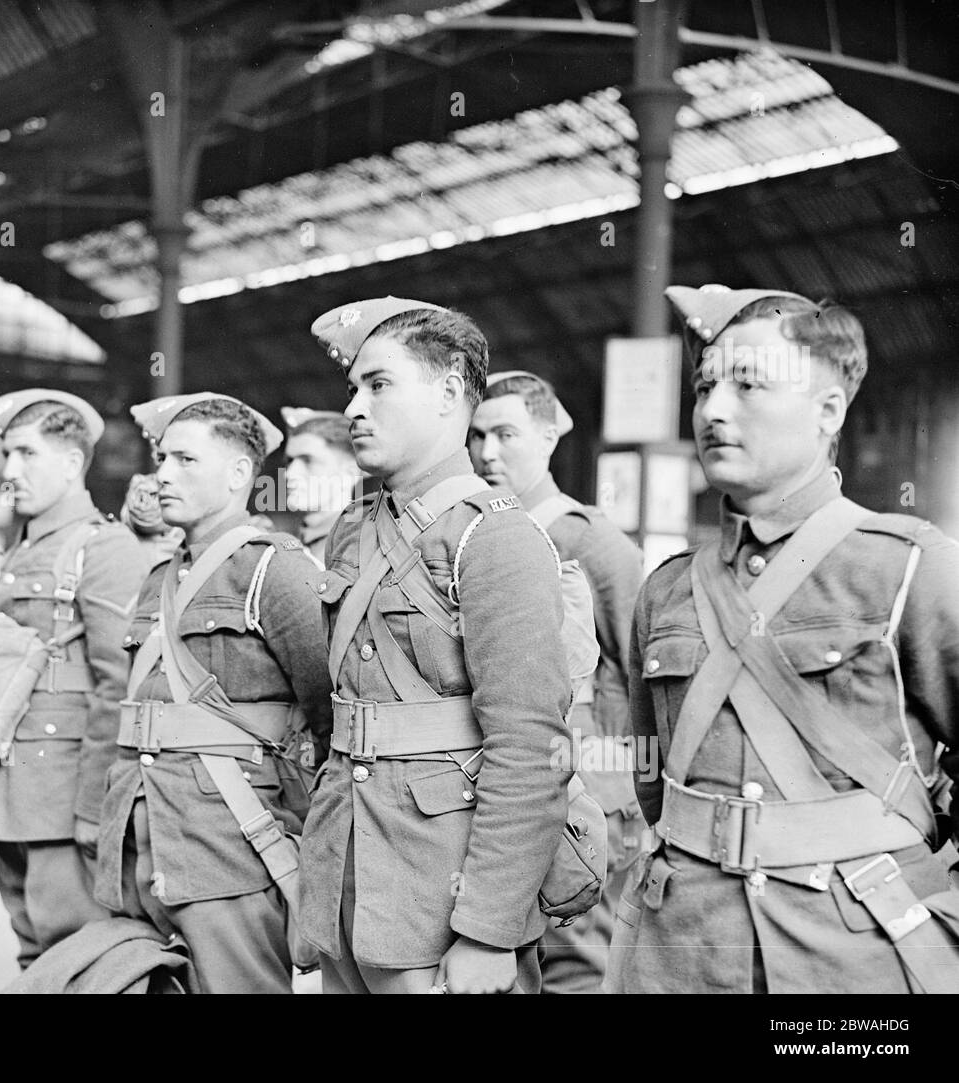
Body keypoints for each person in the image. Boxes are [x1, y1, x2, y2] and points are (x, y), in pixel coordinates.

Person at [613, 283, 959, 993]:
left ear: (827, 409)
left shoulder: (911, 567)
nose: (713, 409)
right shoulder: (667, 590)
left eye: (748, 384)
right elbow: (653, 781)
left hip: (852, 964)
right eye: (705, 386)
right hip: (679, 956)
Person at [298, 296, 573, 994]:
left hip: (441, 899)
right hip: (351, 882)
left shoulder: (497, 535)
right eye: (352, 388)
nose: (355, 407)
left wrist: (489, 928)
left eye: (378, 384)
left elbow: (529, 749)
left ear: (451, 392)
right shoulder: (352, 529)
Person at [95, 392, 333, 993]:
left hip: (230, 847)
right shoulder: (160, 577)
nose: (163, 474)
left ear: (237, 474)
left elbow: (330, 714)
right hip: (142, 842)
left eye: (185, 460)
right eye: (161, 459)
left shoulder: (274, 569)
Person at [0, 389, 149, 968]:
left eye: (26, 454)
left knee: (74, 958)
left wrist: (94, 810)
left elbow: (122, 689)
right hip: (9, 794)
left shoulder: (102, 548)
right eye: (7, 454)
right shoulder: (18, 553)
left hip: (63, 804)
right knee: (33, 952)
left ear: (70, 462)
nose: (10, 471)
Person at [469, 371, 646, 992]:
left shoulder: (589, 540)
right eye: (478, 435)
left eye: (506, 434)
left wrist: (624, 782)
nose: (488, 452)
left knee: (574, 962)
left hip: (586, 792)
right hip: (514, 791)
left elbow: (644, 668)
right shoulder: (483, 533)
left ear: (548, 437)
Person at [280, 407, 364, 567]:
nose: (289, 474)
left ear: (349, 474)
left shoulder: (359, 547)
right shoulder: (292, 540)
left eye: (307, 461)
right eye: (289, 461)